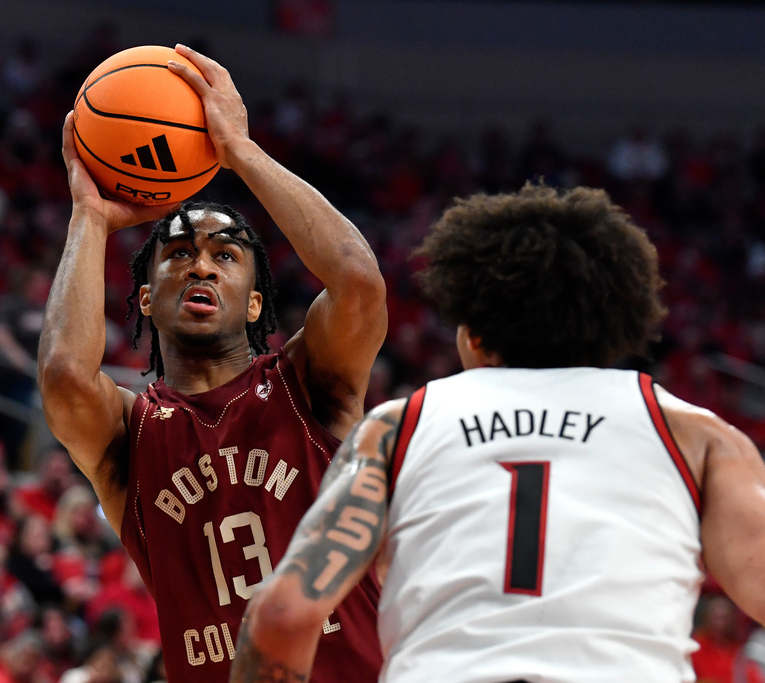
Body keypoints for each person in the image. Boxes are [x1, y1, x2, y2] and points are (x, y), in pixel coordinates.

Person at [230, 183, 765, 683]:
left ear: (474, 331)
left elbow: (284, 613)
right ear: (611, 328)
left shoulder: (398, 429)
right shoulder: (697, 437)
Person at [38, 44, 387, 682]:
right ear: (145, 296)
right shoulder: (129, 436)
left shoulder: (309, 385)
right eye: (177, 254)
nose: (200, 264)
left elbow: (358, 283)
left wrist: (238, 150)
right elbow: (64, 378)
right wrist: (89, 215)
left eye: (225, 254)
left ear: (256, 302)